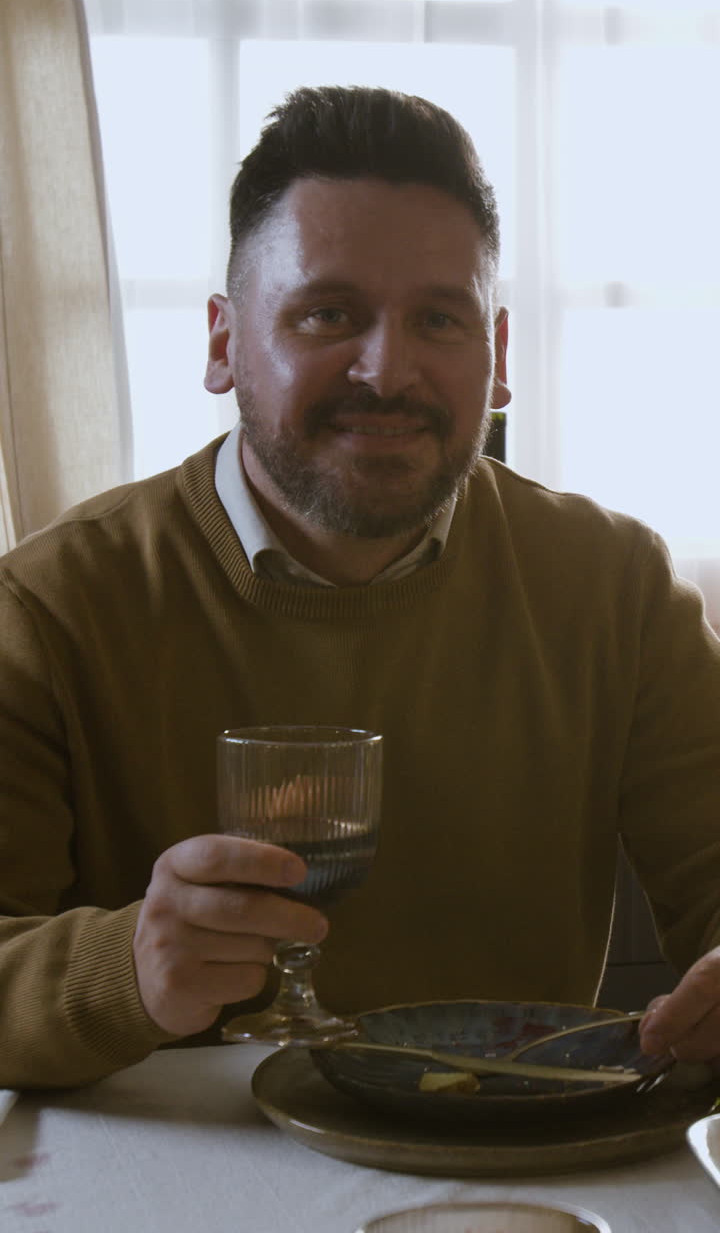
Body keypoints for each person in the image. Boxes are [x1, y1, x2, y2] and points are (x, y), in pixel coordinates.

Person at [1, 86, 719, 1091]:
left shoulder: (619, 590)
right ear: (221, 342)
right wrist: (122, 968)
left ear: (499, 357)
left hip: (518, 1169)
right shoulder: (45, 609)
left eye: (439, 318)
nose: (389, 371)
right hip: (173, 1181)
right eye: (328, 312)